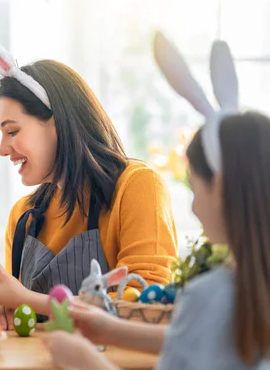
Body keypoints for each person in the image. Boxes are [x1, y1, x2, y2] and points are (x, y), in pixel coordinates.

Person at [44, 33, 270, 369]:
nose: (193, 207)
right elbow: (203, 337)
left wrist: (84, 361)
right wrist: (111, 329)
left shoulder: (208, 295)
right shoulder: (250, 291)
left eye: (195, 189)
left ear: (219, 188)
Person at [0, 28, 178, 327]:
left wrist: (24, 299)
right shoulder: (23, 218)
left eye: (12, 131)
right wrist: (2, 310)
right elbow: (21, 317)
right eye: (1, 134)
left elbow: (146, 307)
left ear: (58, 123)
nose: (3, 149)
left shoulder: (137, 187)